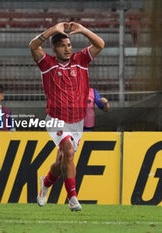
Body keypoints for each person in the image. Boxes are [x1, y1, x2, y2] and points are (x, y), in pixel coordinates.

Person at [29, 22, 104, 211]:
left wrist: (83, 30)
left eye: (69, 45)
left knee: (61, 161)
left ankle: (45, 185)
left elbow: (100, 44)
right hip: (55, 119)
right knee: (69, 152)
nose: (68, 48)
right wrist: (54, 30)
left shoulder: (81, 60)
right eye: (63, 45)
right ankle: (73, 198)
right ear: (55, 49)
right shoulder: (48, 64)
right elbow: (33, 46)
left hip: (76, 121)